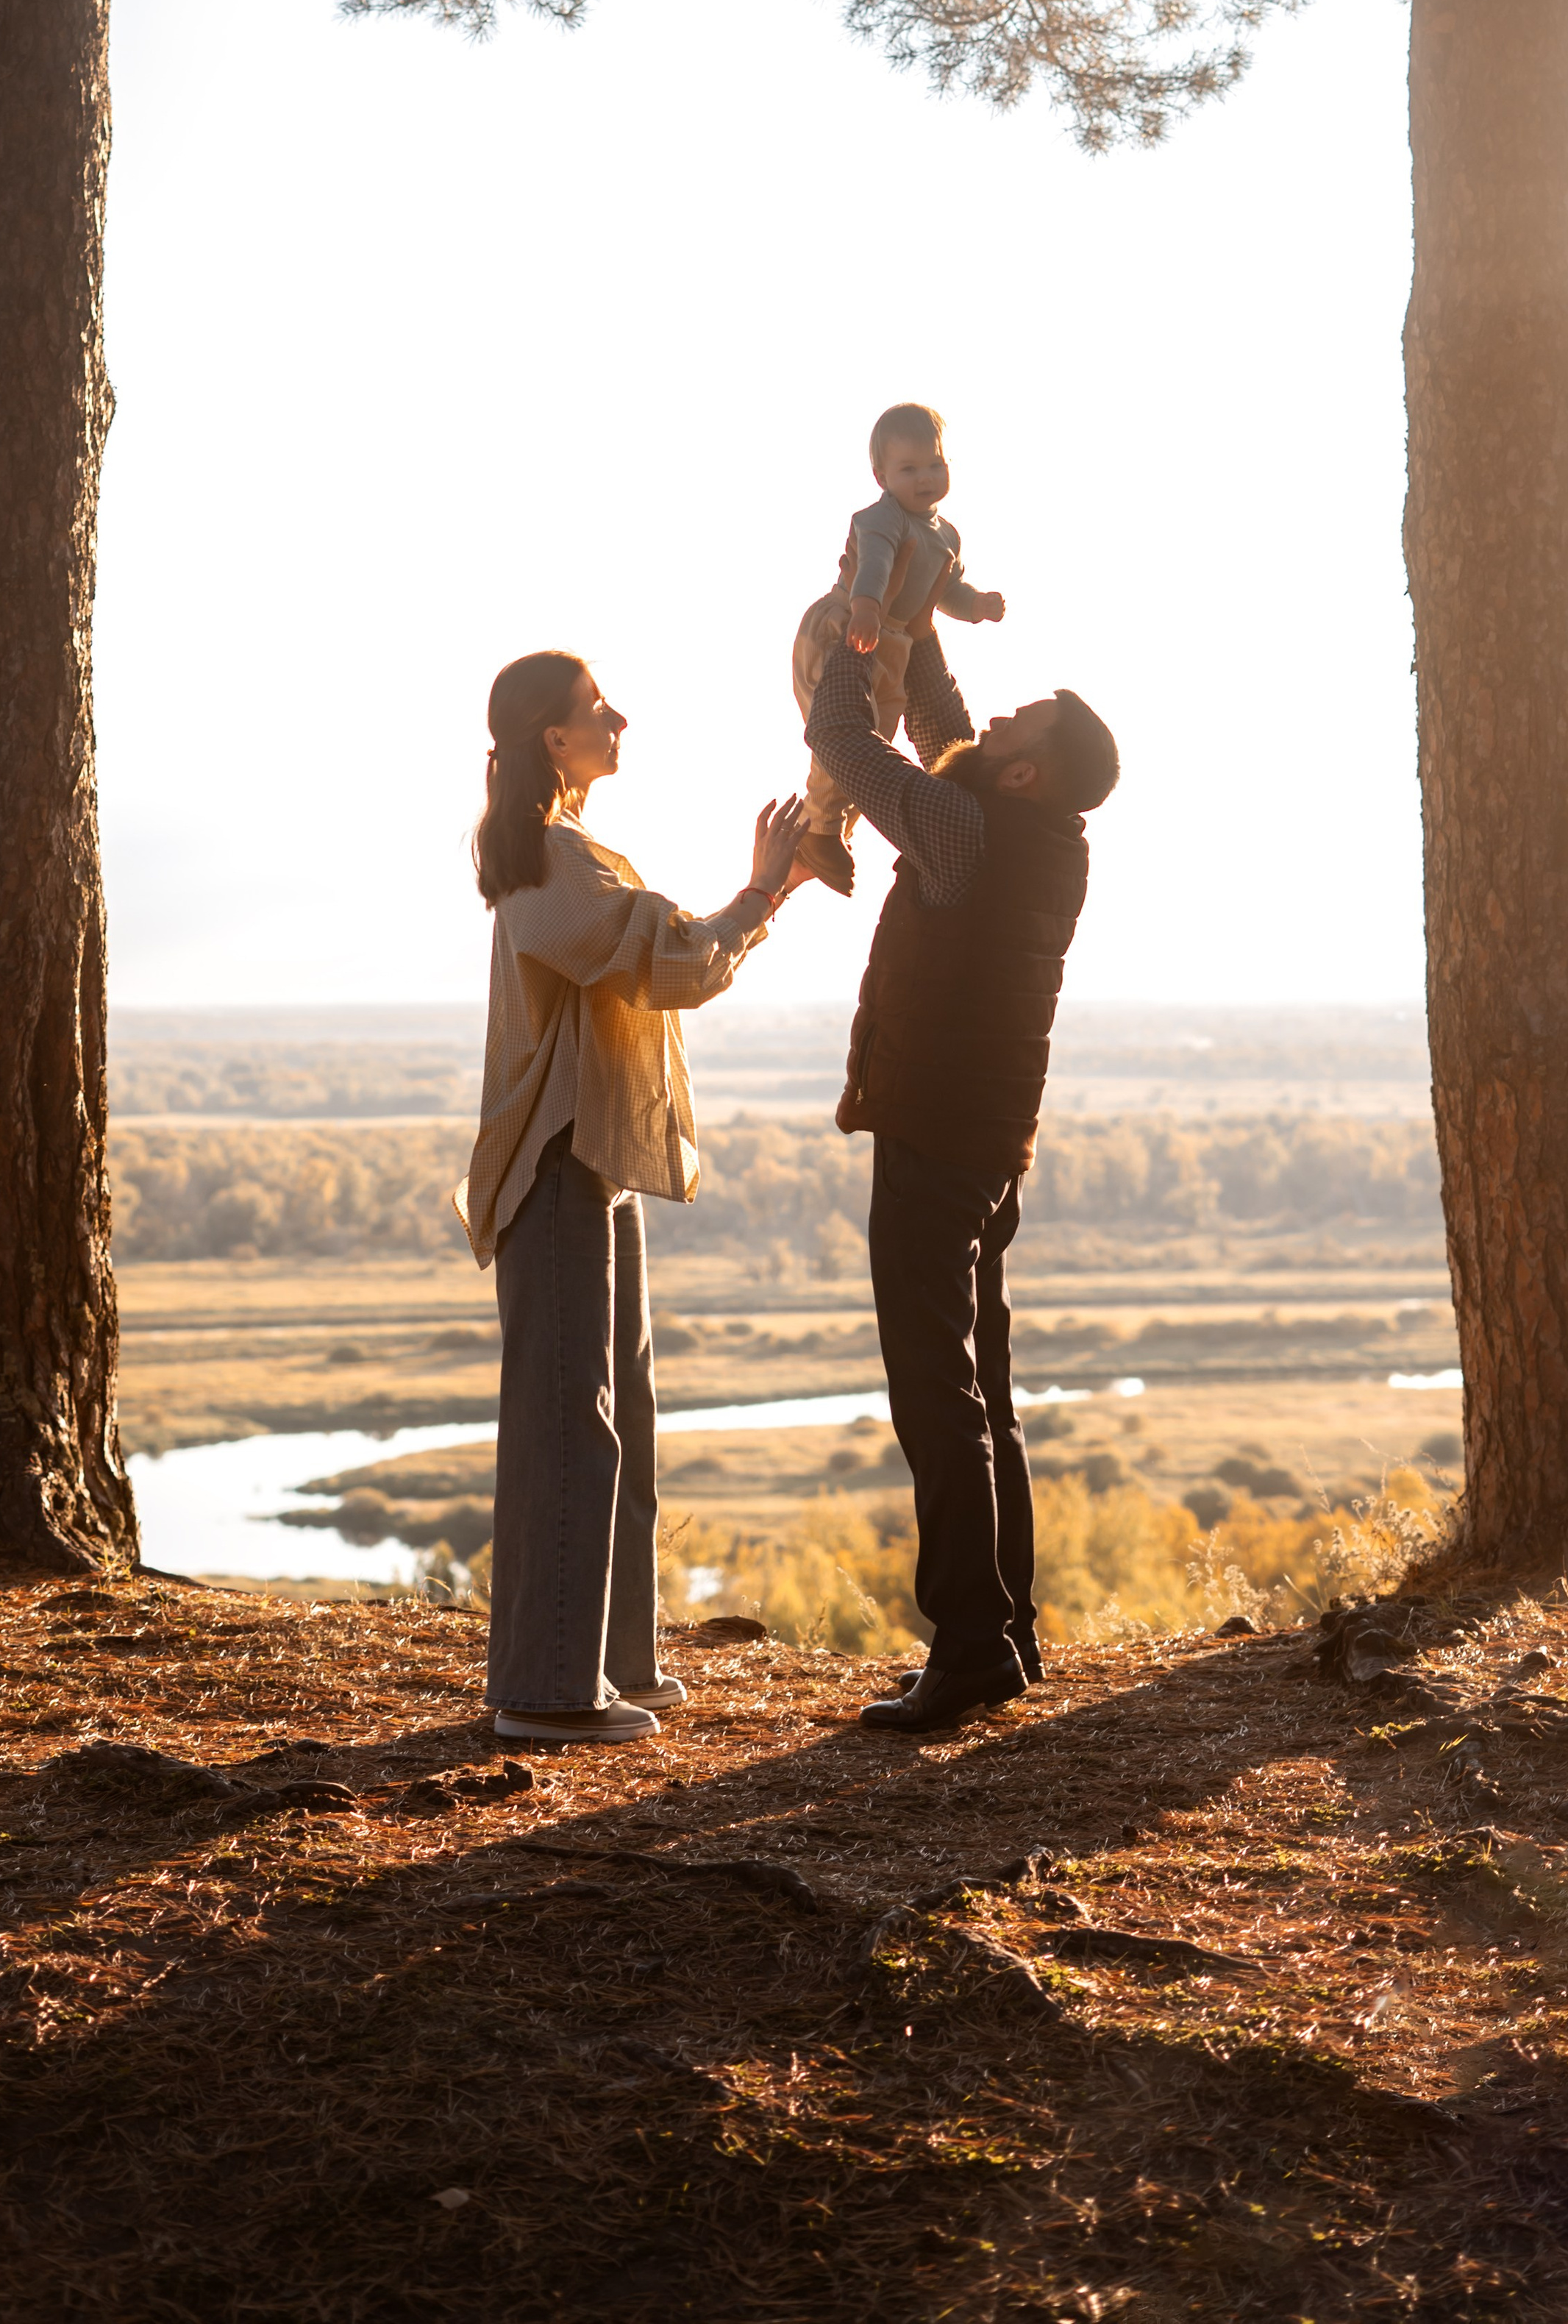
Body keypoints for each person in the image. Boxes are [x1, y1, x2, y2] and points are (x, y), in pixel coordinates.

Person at [457, 651, 810, 1745]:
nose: (619, 718)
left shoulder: (565, 849)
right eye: (595, 709)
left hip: (593, 1159)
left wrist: (763, 897)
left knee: (622, 1416)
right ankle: (546, 1694)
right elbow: (667, 961)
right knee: (572, 1426)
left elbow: (659, 952)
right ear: (552, 740)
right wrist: (763, 894)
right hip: (561, 1161)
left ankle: (614, 1665)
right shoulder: (552, 861)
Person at [805, 600, 1119, 1735]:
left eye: (1018, 723)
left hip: (937, 1134)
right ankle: (1007, 1634)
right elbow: (939, 717)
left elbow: (848, 742)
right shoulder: (1032, 832)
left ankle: (970, 1647)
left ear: (1027, 773)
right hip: (991, 1139)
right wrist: (911, 605)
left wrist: (851, 638)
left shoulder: (960, 828)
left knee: (934, 1393)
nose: (994, 714)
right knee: (984, 1391)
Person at [791, 402, 1005, 899]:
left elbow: (947, 586)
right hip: (847, 626)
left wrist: (976, 606)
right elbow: (876, 565)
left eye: (935, 464)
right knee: (842, 731)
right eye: (908, 469)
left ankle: (830, 829)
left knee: (875, 744)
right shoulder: (880, 519)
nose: (925, 477)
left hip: (895, 646)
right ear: (881, 476)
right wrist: (866, 609)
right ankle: (821, 832)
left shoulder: (945, 533)